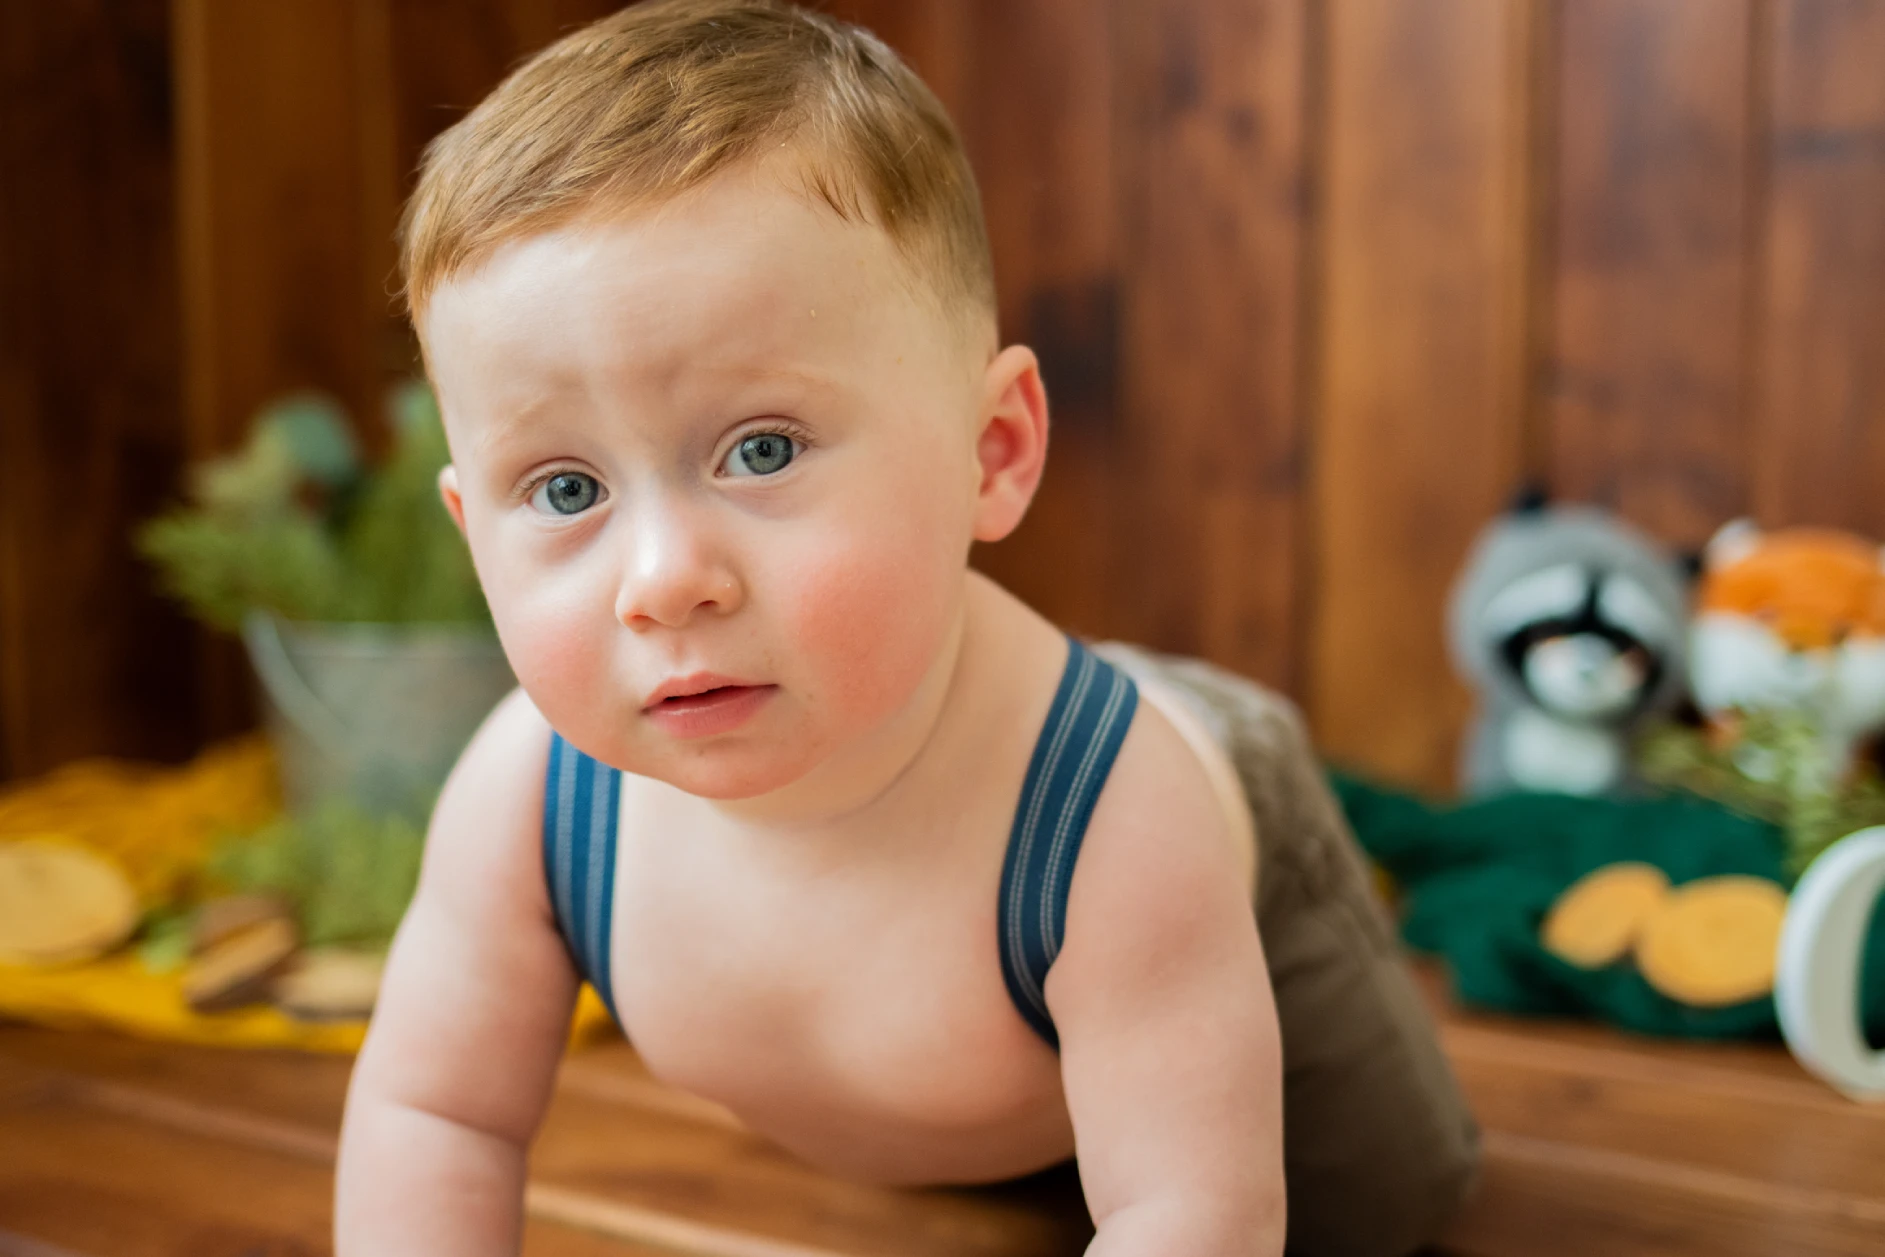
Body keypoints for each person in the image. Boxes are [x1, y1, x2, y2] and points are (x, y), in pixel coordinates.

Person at [334, 3, 1478, 1253]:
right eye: (565, 490)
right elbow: (435, 1111)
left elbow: (1190, 1213)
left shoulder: (1111, 819)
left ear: (992, 452)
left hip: (1196, 814)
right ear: (470, 530)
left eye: (759, 449)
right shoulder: (533, 798)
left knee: (1374, 1206)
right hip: (962, 1039)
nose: (663, 581)